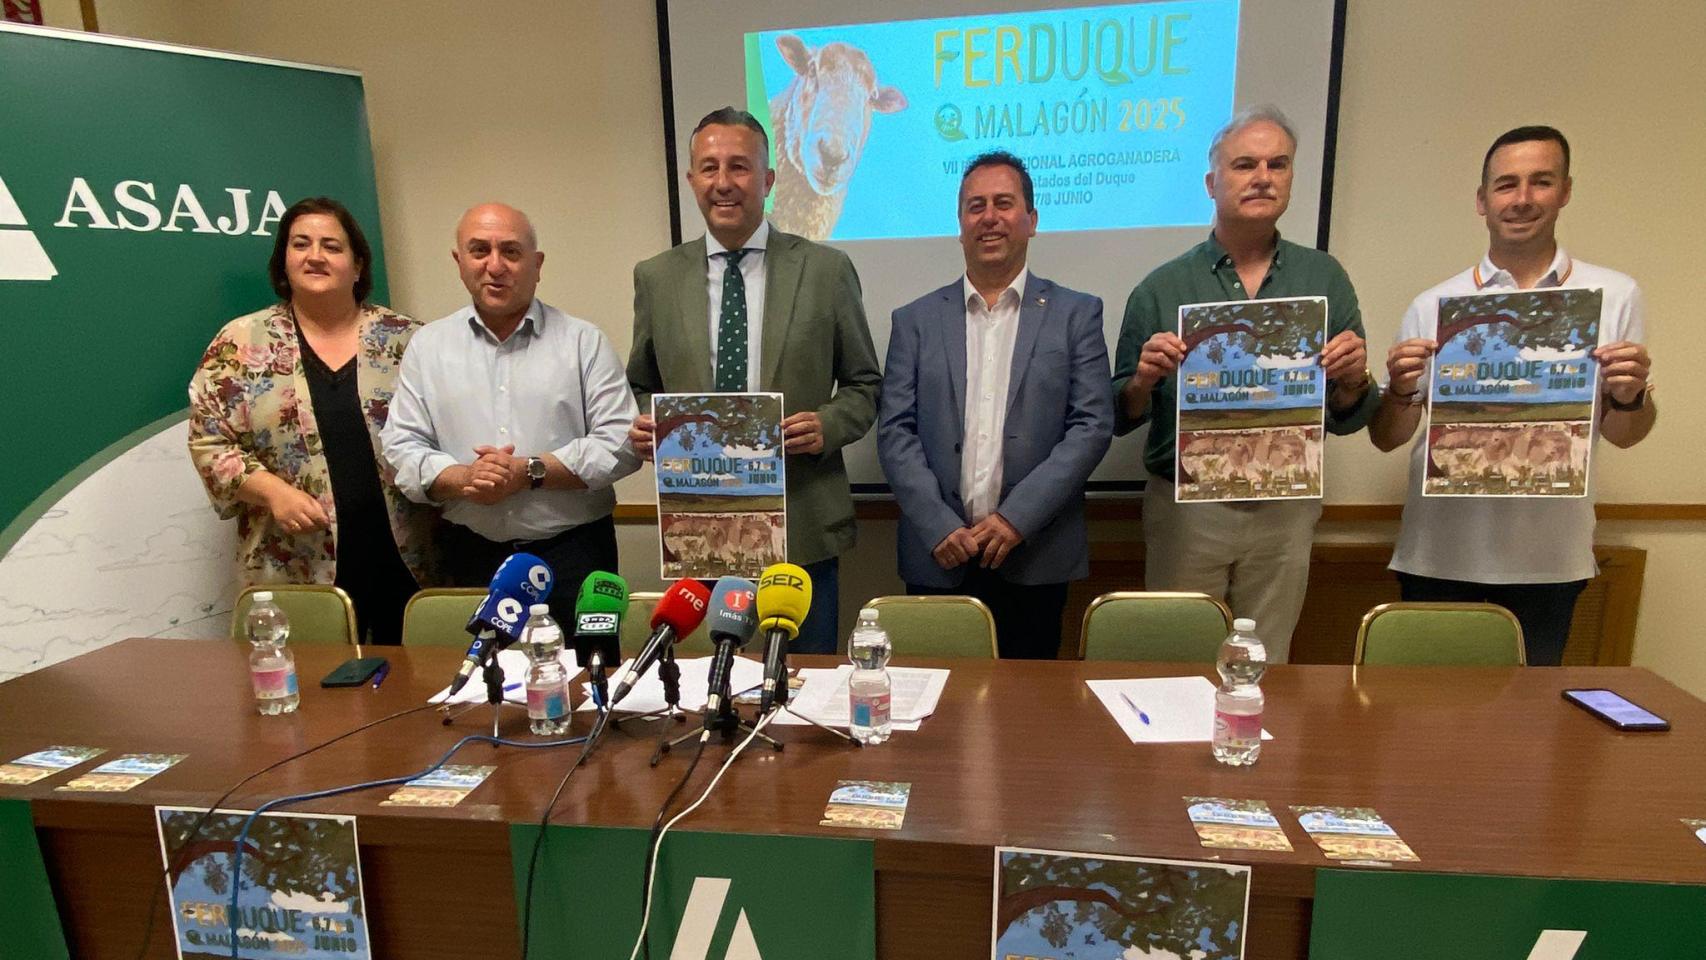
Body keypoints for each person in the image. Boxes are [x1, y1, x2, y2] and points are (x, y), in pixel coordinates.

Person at [1369, 125, 1655, 665]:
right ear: (1482, 200)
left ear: (1565, 191)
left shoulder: (1614, 295)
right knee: (1424, 706)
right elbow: (1387, 437)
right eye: (1506, 185)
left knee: (1527, 715)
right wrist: (1402, 391)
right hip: (1439, 552)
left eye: (1540, 182)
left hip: (1550, 559)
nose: (1522, 198)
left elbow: (1625, 434)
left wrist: (1630, 396)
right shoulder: (1435, 304)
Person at [1110, 106, 1378, 661]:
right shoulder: (1162, 286)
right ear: (1212, 183)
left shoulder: (1324, 278)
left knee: (1266, 660)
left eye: (1277, 164)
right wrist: (1142, 379)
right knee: (1176, 655)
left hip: (1285, 504)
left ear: (1291, 178)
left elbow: (1348, 412)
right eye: (1244, 165)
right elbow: (1119, 413)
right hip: (1187, 506)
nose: (1262, 177)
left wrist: (1354, 379)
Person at [627, 107, 882, 654]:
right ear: (692, 180)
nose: (723, 182)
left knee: (803, 684)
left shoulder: (826, 270)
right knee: (707, 685)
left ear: (767, 180)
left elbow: (865, 384)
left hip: (801, 526)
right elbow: (642, 384)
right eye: (709, 167)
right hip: (699, 527)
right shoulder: (656, 277)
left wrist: (828, 424)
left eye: (739, 167)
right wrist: (651, 425)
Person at [878, 151, 1113, 658]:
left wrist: (1016, 519)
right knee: (935, 700)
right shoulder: (914, 321)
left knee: (1028, 704)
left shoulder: (1077, 314)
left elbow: (1092, 426)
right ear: (960, 224)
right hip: (939, 555)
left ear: (1032, 220)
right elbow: (895, 431)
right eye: (975, 206)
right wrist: (938, 525)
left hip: (1036, 554)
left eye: (1004, 204)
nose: (989, 217)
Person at [188, 197, 434, 645]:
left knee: (420, 681)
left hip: (409, 561)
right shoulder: (241, 342)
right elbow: (210, 442)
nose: (315, 256)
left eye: (331, 246)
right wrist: (273, 492)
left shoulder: (409, 340)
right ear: (284, 261)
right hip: (295, 563)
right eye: (301, 244)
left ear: (358, 265)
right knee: (311, 686)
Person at [382, 204, 640, 626]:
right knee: (478, 668)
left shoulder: (583, 342)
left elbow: (620, 445)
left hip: (574, 555)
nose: (495, 265)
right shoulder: (428, 347)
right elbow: (401, 446)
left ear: (537, 265)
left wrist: (529, 472)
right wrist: (465, 479)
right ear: (459, 261)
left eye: (511, 252)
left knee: (589, 665)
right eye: (479, 250)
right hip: (467, 554)